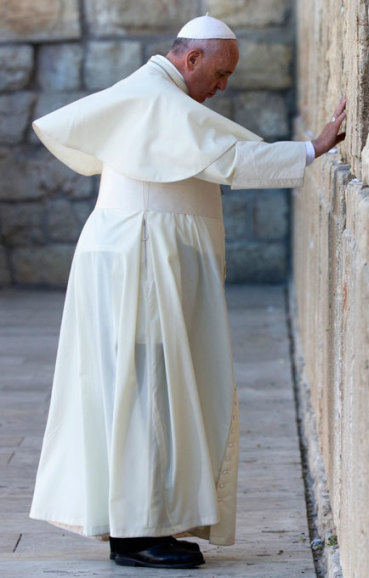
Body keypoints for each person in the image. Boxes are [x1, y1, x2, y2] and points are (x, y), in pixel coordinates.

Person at [28, 15, 346, 570]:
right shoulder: (159, 100)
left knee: (148, 389)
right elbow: (228, 159)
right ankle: (135, 534)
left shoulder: (156, 93)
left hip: (137, 259)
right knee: (145, 391)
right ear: (191, 58)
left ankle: (146, 522)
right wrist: (310, 149)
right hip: (139, 264)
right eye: (219, 74)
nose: (222, 88)